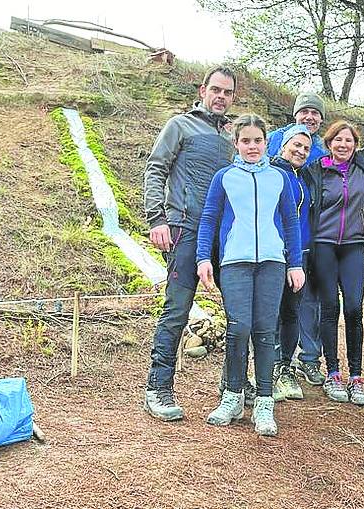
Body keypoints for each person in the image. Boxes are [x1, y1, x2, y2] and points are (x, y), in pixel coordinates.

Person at [196, 113, 305, 437]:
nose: (252, 146)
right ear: (237, 143)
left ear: (266, 142)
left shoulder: (279, 178)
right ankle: (232, 397)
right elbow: (209, 218)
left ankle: (264, 402)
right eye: (246, 141)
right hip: (235, 263)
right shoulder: (224, 177)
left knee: (264, 331)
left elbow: (290, 222)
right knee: (238, 327)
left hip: (272, 262)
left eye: (258, 140)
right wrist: (204, 258)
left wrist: (295, 263)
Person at [143, 66, 237, 422]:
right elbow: (155, 168)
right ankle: (158, 387)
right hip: (183, 228)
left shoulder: (233, 138)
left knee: (238, 312)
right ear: (203, 90)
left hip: (222, 238)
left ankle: (232, 389)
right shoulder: (180, 125)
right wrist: (157, 218)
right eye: (216, 90)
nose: (220, 97)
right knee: (177, 309)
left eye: (227, 93)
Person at [303, 120, 364, 406]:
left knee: (355, 308)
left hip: (354, 245)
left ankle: (356, 376)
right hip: (324, 245)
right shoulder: (315, 171)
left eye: (349, 141)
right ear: (329, 143)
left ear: (356, 145)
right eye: (338, 140)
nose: (343, 145)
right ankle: (333, 373)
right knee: (330, 307)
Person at [267, 92, 328, 386]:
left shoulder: (316, 158)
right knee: (272, 310)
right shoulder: (271, 163)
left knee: (298, 307)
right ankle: (271, 367)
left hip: (304, 248)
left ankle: (297, 364)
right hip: (272, 250)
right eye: (304, 111)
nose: (309, 117)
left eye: (315, 113)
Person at [270, 124, 313, 400]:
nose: (301, 151)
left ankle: (286, 368)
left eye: (306, 148)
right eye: (296, 145)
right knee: (271, 313)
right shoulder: (272, 172)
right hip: (276, 254)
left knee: (291, 312)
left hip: (302, 254)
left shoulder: (303, 177)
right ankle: (269, 369)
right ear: (284, 145)